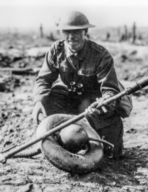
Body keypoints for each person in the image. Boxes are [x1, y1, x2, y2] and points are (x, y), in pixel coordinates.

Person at [32, 11, 133, 159]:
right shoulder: (56, 50)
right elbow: (43, 80)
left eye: (76, 31)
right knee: (49, 99)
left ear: (85, 32)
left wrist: (103, 103)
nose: (71, 36)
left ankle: (96, 139)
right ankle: (57, 140)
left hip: (95, 103)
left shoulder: (100, 55)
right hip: (71, 99)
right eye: (67, 31)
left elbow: (110, 89)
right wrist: (38, 101)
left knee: (111, 154)